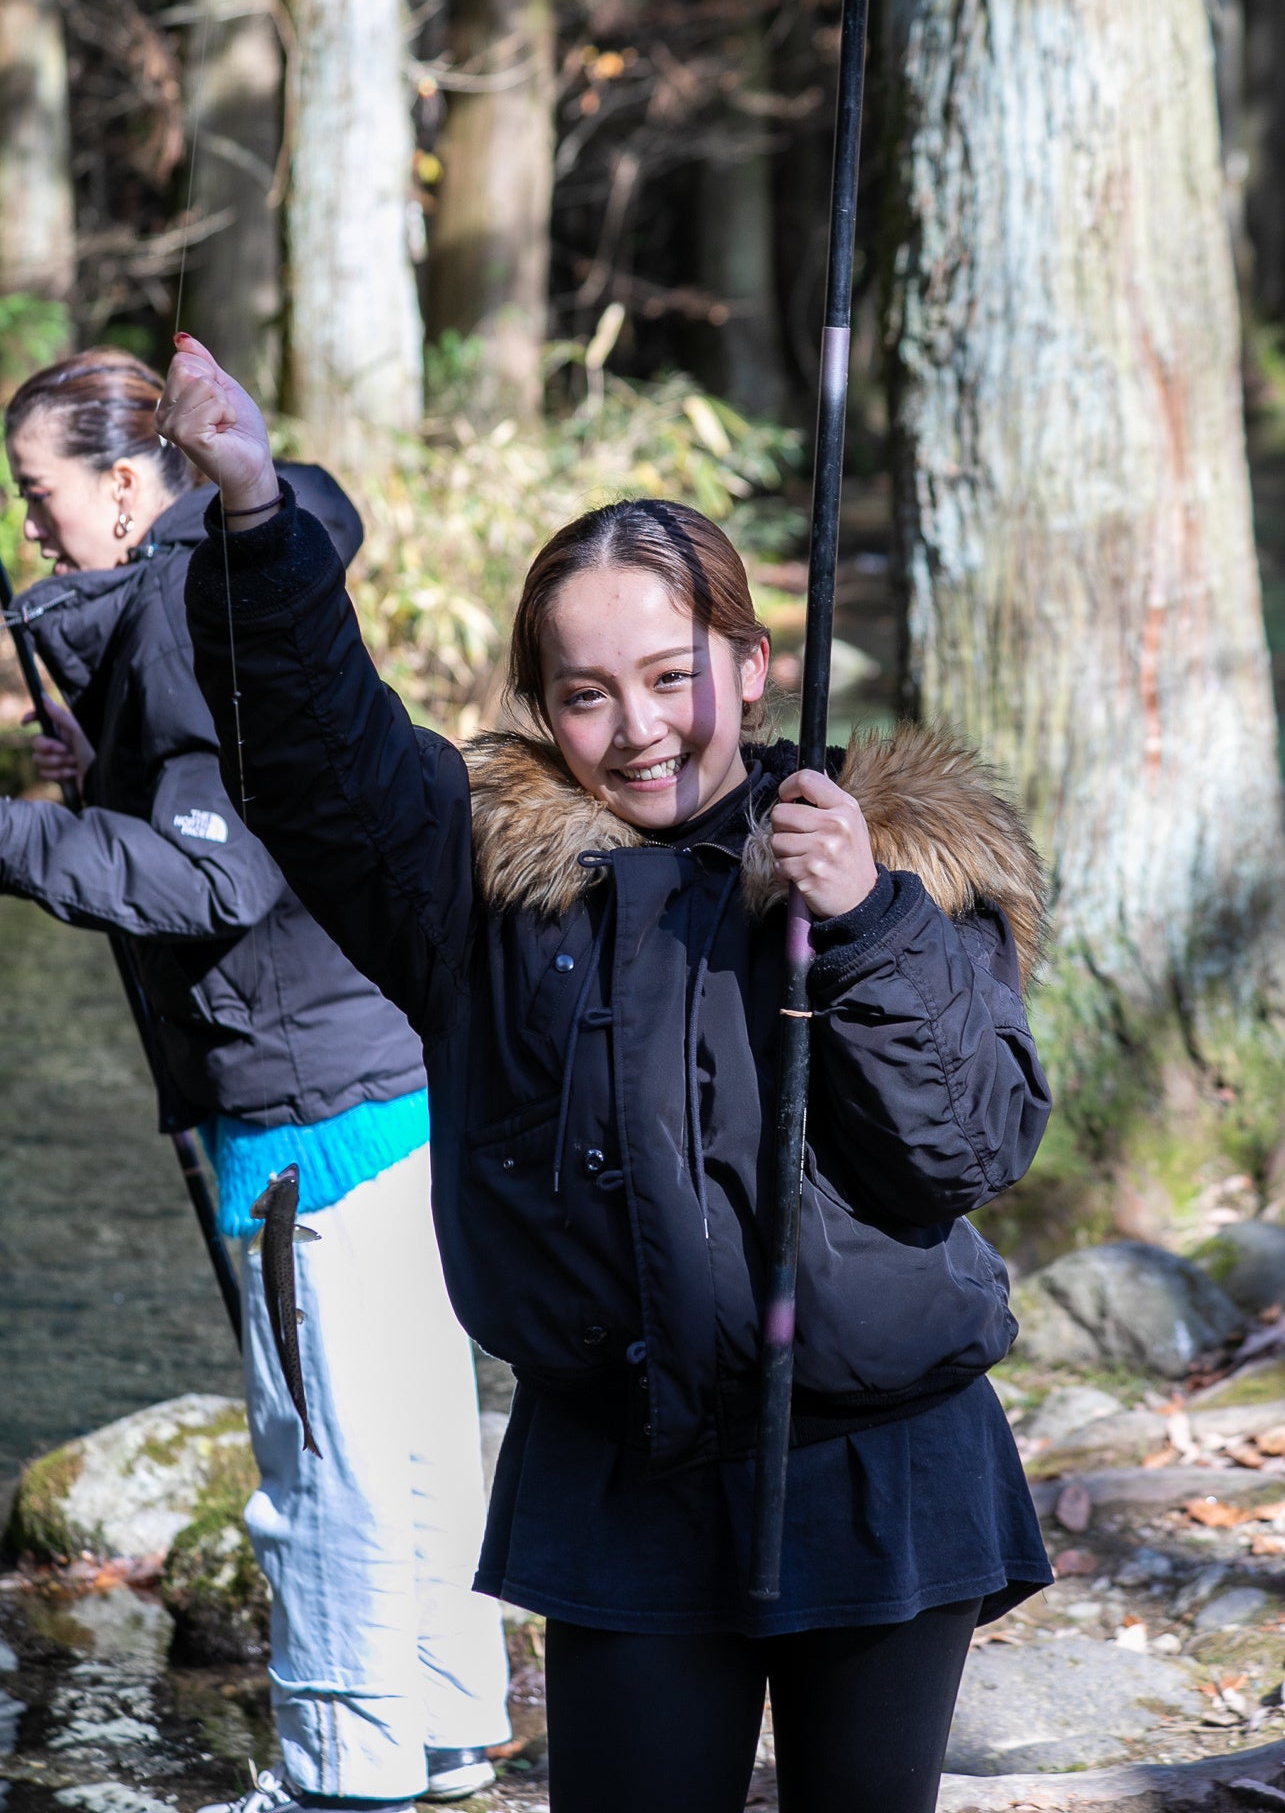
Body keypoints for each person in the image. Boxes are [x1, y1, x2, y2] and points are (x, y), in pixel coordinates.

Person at [158, 333, 1054, 1813]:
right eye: (584, 694)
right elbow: (317, 754)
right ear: (540, 704)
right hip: (620, 1476)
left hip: (879, 1468)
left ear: (752, 667)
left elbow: (960, 1152)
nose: (636, 729)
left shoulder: (897, 864)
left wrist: (866, 921)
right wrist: (255, 516)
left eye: (669, 676)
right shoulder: (476, 884)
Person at [0, 349, 509, 1813]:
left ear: (127, 483)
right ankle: (442, 1731)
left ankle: (337, 1775)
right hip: (380, 1070)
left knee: (322, 1469)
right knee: (412, 1429)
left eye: (42, 489)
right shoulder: (223, 583)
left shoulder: (178, 614)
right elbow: (229, 790)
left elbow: (217, 877)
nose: (30, 516)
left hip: (305, 1104)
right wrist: (106, 767)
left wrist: (13, 838)